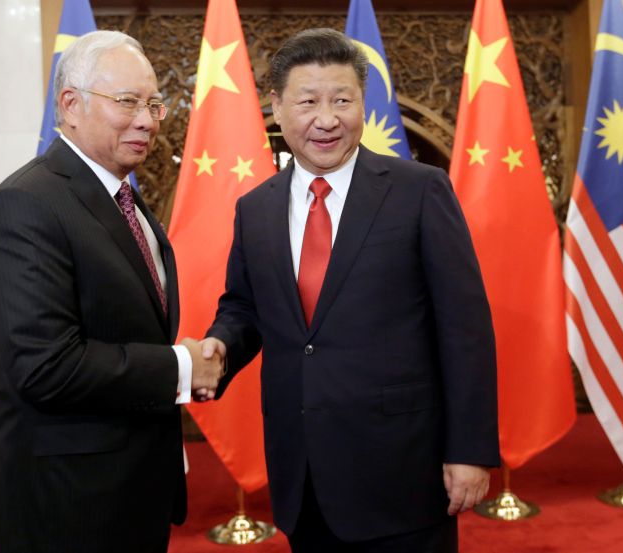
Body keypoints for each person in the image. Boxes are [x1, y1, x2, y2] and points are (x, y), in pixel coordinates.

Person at [199, 28, 499, 552]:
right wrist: (221, 345)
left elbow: (465, 328)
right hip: (302, 472)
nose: (327, 119)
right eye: (308, 102)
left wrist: (470, 450)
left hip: (403, 470)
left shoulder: (419, 191)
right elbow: (244, 306)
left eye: (342, 100)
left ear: (363, 103)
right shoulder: (256, 208)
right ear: (277, 106)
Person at [0, 31, 222, 553]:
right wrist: (181, 368)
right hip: (64, 505)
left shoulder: (122, 196)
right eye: (127, 101)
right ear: (70, 105)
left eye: (154, 104)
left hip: (128, 491)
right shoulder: (25, 204)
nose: (148, 120)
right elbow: (45, 367)